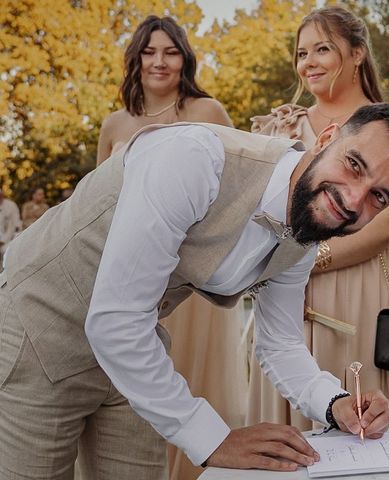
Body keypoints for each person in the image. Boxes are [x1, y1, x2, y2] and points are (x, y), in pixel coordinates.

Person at [0, 103, 389, 479]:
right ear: (327, 138)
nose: (354, 201)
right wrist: (214, 440)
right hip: (38, 333)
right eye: (355, 164)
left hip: (135, 355)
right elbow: (115, 319)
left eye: (378, 197)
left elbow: (279, 343)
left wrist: (334, 403)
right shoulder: (194, 158)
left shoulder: (307, 228)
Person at [248, 6, 389, 431]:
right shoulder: (278, 127)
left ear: (357, 53)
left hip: (361, 285)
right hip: (280, 285)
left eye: (322, 49)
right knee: (284, 392)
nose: (308, 62)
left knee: (359, 415)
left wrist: (309, 259)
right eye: (301, 52)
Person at [95, 16, 243, 480]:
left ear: (185, 58)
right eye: (149, 52)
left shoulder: (207, 112)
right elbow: (97, 204)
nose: (159, 61)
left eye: (170, 51)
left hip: (190, 281)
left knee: (193, 379)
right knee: (135, 384)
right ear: (135, 60)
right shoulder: (114, 123)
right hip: (131, 274)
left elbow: (241, 192)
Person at [0, 190, 20, 262]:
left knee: (6, 251)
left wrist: (3, 240)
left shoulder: (11, 205)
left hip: (9, 237)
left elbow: (13, 226)